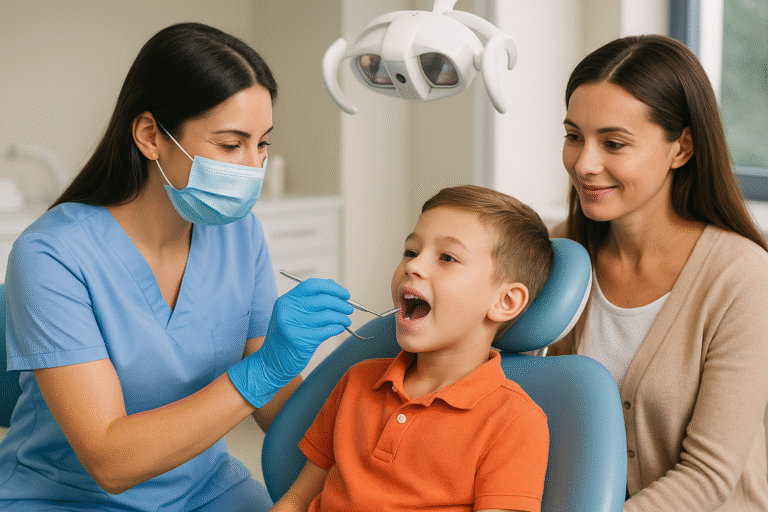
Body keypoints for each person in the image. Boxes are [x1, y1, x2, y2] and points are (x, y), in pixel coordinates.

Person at [0, 22, 354, 511]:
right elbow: (110, 462)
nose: (252, 167)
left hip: (204, 489)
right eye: (231, 146)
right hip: (67, 496)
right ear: (150, 135)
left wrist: (378, 400)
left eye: (263, 144)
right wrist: (264, 368)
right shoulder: (52, 256)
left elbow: (278, 413)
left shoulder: (238, 233)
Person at [548, 34, 768, 511]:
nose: (584, 164)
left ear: (682, 148)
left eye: (613, 143)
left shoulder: (742, 277)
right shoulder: (558, 252)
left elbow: (707, 476)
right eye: (573, 136)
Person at [270, 185, 554, 512]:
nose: (414, 266)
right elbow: (297, 499)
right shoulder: (357, 382)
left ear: (505, 302)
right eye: (411, 251)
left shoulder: (514, 421)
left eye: (447, 257)